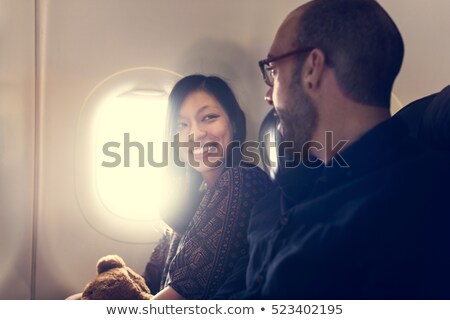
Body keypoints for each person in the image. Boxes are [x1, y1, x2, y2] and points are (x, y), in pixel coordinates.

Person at [214, 0, 450, 299]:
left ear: (312, 68)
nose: (267, 95)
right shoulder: (285, 198)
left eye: (273, 71)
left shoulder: (417, 206)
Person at [144, 74, 274, 299]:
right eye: (182, 124)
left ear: (233, 123)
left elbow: (178, 298)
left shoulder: (242, 180)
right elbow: (147, 284)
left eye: (209, 117)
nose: (195, 134)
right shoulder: (191, 195)